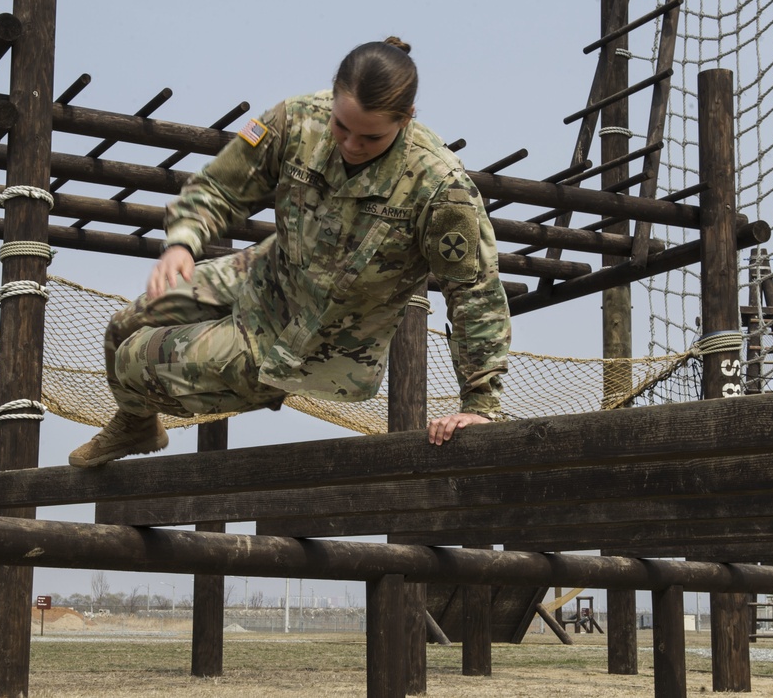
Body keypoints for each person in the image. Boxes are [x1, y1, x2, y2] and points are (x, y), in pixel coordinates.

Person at [68, 37, 511, 468]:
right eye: (342, 126)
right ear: (333, 97)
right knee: (124, 325)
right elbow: (222, 185)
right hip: (268, 274)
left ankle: (241, 386)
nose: (351, 145)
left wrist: (481, 404)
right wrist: (184, 240)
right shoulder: (298, 120)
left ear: (407, 118)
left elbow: (475, 293)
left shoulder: (440, 186)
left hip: (311, 342)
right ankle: (135, 425)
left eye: (371, 138)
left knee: (135, 361)